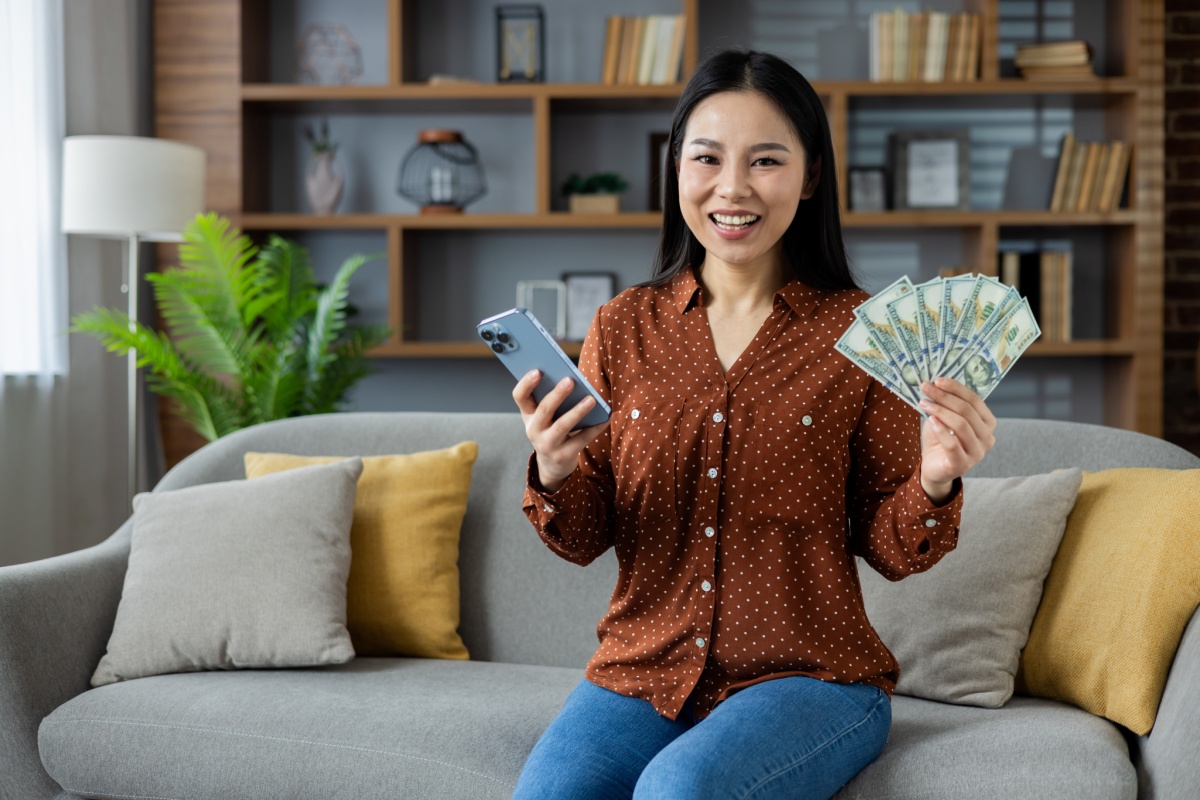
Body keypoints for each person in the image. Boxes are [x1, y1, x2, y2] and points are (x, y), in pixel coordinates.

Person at [509, 49, 997, 800]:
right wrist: (556, 467)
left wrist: (936, 479)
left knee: (681, 790)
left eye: (766, 160)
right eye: (707, 158)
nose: (732, 188)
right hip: (644, 669)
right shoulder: (623, 326)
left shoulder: (862, 333)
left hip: (814, 678)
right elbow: (584, 535)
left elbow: (893, 548)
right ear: (677, 171)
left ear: (809, 179)